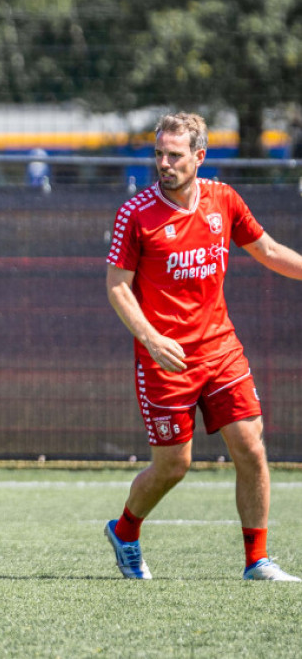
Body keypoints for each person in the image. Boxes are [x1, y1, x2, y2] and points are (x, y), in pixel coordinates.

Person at [104, 112, 302, 582]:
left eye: (175, 155)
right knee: (174, 465)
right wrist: (151, 339)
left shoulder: (224, 199)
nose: (164, 163)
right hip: (164, 358)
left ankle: (257, 561)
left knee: (251, 447)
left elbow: (269, 250)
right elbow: (117, 287)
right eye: (159, 154)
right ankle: (125, 531)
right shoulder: (136, 213)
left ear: (199, 156)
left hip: (220, 349)